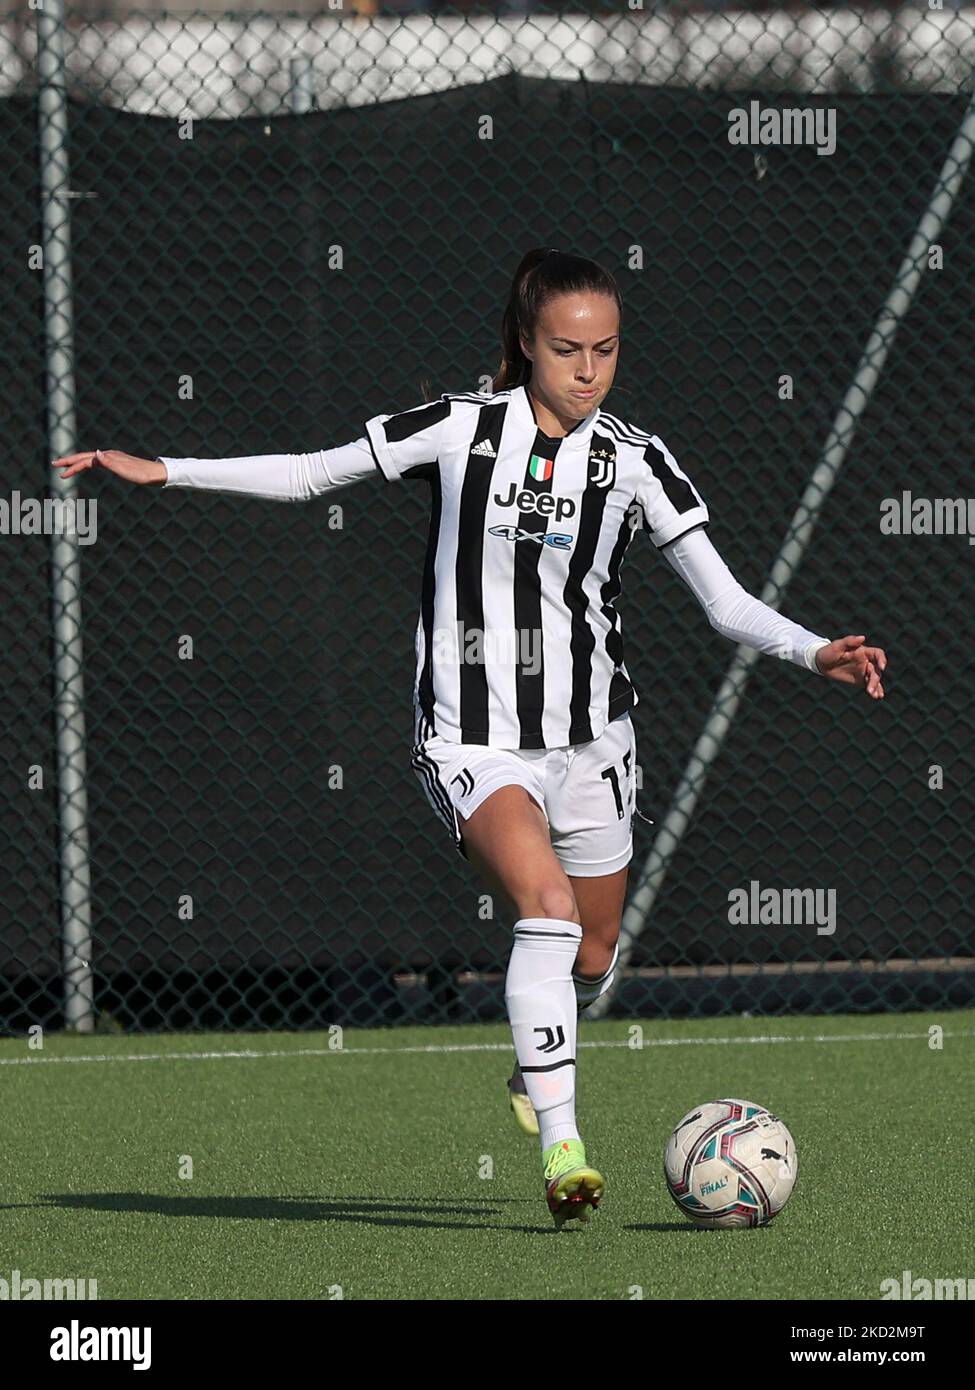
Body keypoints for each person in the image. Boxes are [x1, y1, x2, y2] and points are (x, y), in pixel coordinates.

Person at [52, 246, 887, 1229]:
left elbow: (726, 601)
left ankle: (536, 1064)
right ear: (526, 345)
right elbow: (314, 473)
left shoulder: (635, 460)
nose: (587, 370)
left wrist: (813, 651)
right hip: (471, 737)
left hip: (593, 741)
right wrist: (168, 471)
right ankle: (564, 1149)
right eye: (566, 349)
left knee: (597, 942)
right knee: (546, 906)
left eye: (605, 350)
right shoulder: (459, 429)